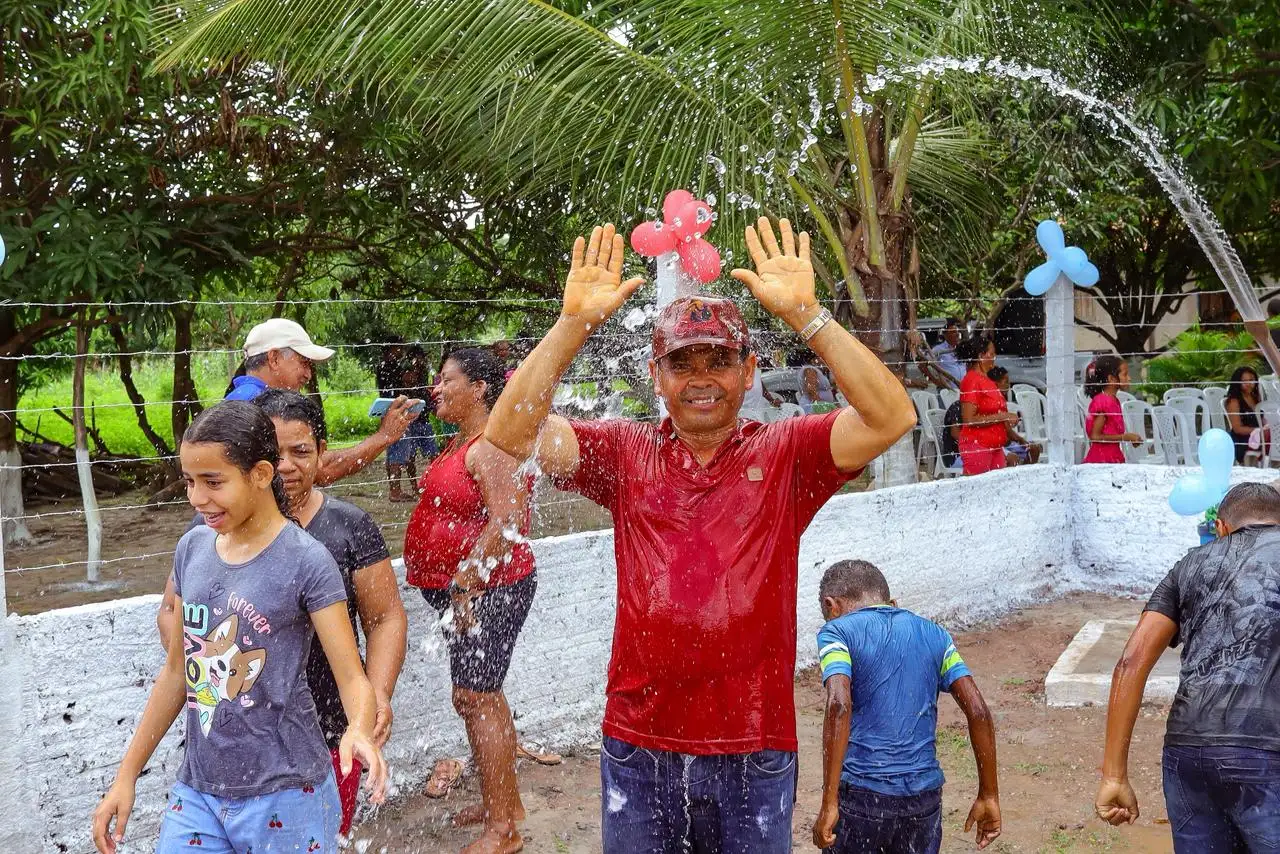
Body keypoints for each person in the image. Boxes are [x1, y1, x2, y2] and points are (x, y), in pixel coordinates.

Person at [484, 219, 916, 851]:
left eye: (720, 360)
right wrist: (572, 325)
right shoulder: (626, 452)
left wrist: (809, 315)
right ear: (658, 378)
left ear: (749, 372)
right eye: (682, 363)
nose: (702, 377)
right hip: (640, 739)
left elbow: (892, 415)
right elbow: (510, 433)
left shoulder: (786, 452)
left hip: (755, 744)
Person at [92, 401, 388, 854]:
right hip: (199, 790)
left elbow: (352, 677)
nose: (196, 498)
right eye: (190, 481)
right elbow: (177, 673)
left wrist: (359, 729)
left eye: (213, 482)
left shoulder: (307, 562)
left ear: (261, 474)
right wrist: (126, 775)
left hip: (289, 793)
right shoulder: (193, 548)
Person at [1095, 481, 1280, 851]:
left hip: (1188, 749)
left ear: (1222, 528)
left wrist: (1113, 775)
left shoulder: (1190, 564)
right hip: (1266, 749)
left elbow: (1130, 663)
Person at [404, 347, 536, 854]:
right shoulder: (461, 444)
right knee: (483, 696)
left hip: (488, 592)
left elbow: (506, 521)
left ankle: (503, 831)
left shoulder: (488, 447)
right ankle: (503, 802)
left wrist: (464, 583)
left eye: (446, 380)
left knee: (476, 698)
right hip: (468, 593)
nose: (436, 388)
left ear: (480, 389)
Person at [812, 560, 1001, 853]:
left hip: (863, 797)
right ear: (892, 603)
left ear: (831, 606)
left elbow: (838, 704)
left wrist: (829, 803)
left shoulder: (837, 632)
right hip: (923, 799)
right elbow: (978, 711)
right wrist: (989, 794)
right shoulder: (935, 635)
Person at [225, 318, 424, 486]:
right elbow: (319, 470)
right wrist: (383, 437)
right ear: (274, 359)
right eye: (303, 363)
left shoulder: (240, 398)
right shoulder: (258, 407)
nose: (308, 375)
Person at [957, 335, 1018, 476]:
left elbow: (994, 410)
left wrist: (1006, 420)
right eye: (991, 353)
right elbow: (969, 419)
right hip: (978, 446)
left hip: (995, 446)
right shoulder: (971, 380)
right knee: (978, 492)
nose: (994, 357)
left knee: (996, 492)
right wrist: (1003, 416)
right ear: (981, 356)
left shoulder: (987, 380)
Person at [387, 347, 440, 502]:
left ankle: (429, 486)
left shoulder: (422, 376)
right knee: (401, 457)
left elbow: (428, 400)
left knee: (432, 455)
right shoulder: (401, 375)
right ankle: (396, 491)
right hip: (405, 424)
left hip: (423, 421)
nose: (412, 374)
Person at [1082, 356, 1143, 464]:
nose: (1129, 378)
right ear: (1111, 379)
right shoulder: (1103, 402)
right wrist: (1125, 437)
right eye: (1125, 374)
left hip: (1112, 457)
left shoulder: (1114, 400)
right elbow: (1095, 436)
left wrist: (1130, 438)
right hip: (1102, 461)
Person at [988, 367, 1042, 466]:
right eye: (1006, 382)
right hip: (995, 446)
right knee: (1013, 458)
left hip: (1007, 444)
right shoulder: (988, 403)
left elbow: (1008, 430)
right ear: (995, 383)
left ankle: (1027, 476)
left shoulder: (1001, 402)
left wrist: (1023, 441)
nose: (1008, 385)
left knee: (1034, 449)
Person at [1224, 365, 1264, 464]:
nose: (1249, 384)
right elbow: (1237, 429)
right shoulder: (1233, 401)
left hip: (1259, 437)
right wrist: (1260, 431)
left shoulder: (1255, 397)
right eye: (1244, 381)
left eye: (1251, 380)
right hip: (1243, 442)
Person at [931, 318, 967, 385]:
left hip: (964, 389)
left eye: (957, 332)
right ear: (945, 335)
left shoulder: (962, 348)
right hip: (948, 391)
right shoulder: (938, 350)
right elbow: (923, 365)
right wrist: (936, 381)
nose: (957, 334)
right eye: (953, 332)